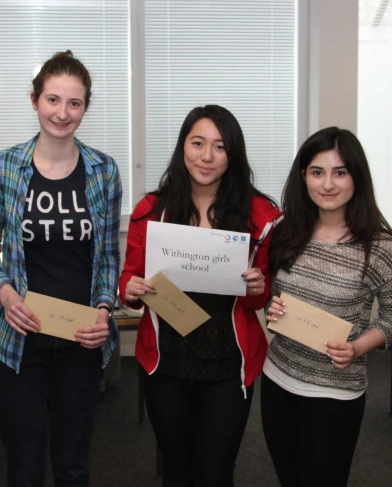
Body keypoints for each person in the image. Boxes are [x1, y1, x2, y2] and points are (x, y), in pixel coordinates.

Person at [0, 50, 122, 487]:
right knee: (24, 462)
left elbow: (108, 254)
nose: (62, 113)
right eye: (53, 100)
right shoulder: (3, 168)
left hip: (81, 337)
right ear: (35, 100)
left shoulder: (104, 171)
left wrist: (103, 308)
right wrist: (5, 294)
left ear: (85, 108)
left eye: (74, 103)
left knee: (74, 463)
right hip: (19, 338)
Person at [120, 104, 281, 487]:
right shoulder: (152, 210)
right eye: (197, 143)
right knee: (177, 470)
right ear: (183, 147)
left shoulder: (260, 215)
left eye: (220, 146)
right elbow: (130, 278)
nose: (207, 157)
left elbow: (262, 297)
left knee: (216, 472)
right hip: (167, 360)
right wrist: (130, 289)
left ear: (233, 154)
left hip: (228, 362)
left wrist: (258, 288)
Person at [262, 127, 392, 486]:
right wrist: (272, 308)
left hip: (335, 391)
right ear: (303, 177)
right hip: (278, 379)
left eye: (339, 172)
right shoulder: (285, 231)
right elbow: (272, 293)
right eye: (317, 172)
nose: (328, 184)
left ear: (356, 177)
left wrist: (358, 347)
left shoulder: (379, 246)